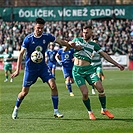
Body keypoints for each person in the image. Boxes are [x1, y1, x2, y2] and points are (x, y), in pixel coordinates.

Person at [11, 17, 81, 119]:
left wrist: (72, 46)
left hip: (43, 67)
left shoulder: (47, 36)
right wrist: (18, 70)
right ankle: (16, 108)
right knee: (24, 92)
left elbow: (60, 42)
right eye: (38, 28)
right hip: (30, 69)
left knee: (53, 85)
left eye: (42, 28)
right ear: (34, 26)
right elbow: (21, 54)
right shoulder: (28, 39)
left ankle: (56, 111)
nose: (40, 30)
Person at [71, 25, 125, 120]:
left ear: (91, 33)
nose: (84, 34)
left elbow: (105, 55)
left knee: (100, 88)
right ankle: (90, 112)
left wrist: (117, 64)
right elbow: (68, 44)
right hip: (77, 71)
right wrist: (71, 45)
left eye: (87, 32)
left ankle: (104, 109)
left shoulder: (94, 45)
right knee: (85, 94)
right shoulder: (77, 40)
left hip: (89, 69)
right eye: (83, 32)